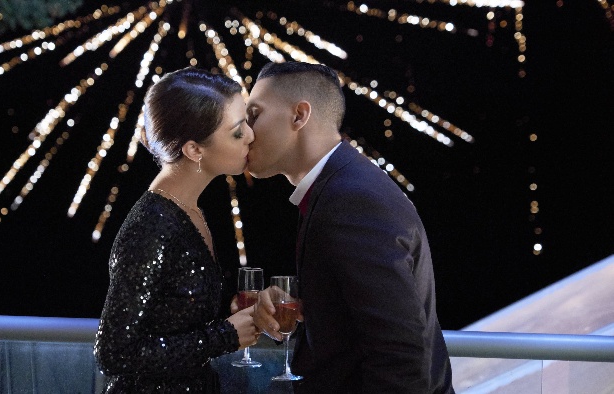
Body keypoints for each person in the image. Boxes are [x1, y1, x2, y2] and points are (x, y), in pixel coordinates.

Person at [246, 62, 454, 393]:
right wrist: (303, 301)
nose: (245, 130)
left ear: (300, 116)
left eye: (254, 114)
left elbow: (399, 355)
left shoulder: (350, 199)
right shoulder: (341, 187)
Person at [94, 67, 259, 393]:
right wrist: (223, 336)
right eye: (238, 131)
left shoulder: (188, 209)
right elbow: (113, 355)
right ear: (194, 150)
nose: (252, 136)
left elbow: (172, 318)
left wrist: (232, 313)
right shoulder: (150, 229)